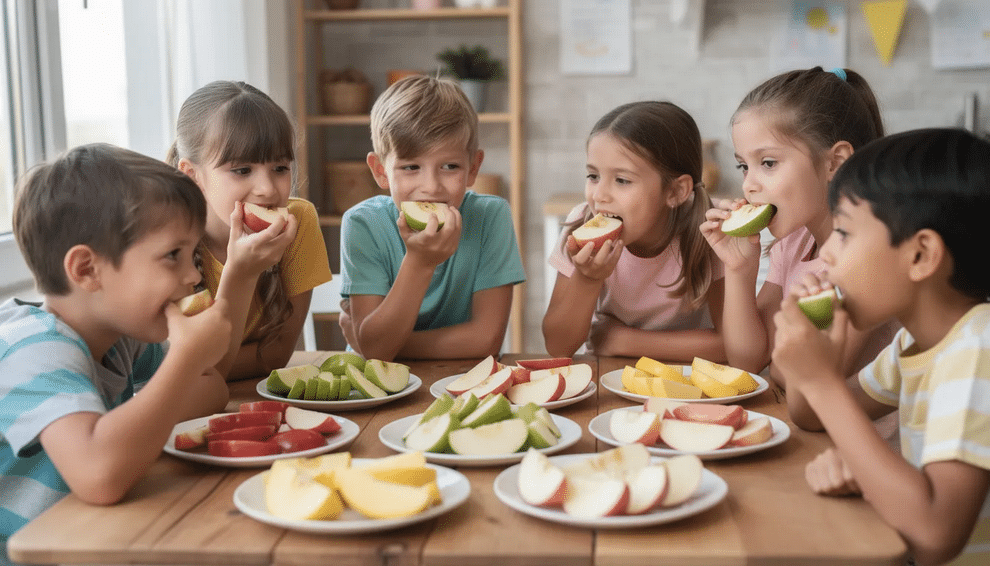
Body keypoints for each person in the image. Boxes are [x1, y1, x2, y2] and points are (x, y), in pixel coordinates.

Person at [0, 144, 231, 563]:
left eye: (192, 254)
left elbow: (210, 390)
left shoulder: (120, 337)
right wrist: (186, 358)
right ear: (87, 270)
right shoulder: (34, 349)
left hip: (91, 538)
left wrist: (188, 362)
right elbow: (99, 476)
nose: (194, 274)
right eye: (172, 256)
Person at [773, 128, 990, 566]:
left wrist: (821, 382)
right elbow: (811, 417)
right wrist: (817, 365)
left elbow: (936, 533)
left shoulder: (977, 348)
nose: (827, 254)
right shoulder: (915, 343)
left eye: (844, 233)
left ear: (921, 255)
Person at [700, 67, 900, 394]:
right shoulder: (795, 242)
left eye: (768, 163)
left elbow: (793, 378)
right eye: (743, 166)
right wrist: (739, 268)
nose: (748, 185)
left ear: (834, 162)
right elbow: (746, 360)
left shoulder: (869, 257)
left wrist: (779, 362)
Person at [338, 75, 525, 361]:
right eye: (411, 167)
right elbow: (376, 355)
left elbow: (486, 341)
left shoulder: (491, 217)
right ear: (379, 171)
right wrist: (419, 262)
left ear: (473, 168)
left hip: (457, 381)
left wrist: (377, 345)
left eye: (449, 166)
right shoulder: (363, 224)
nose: (432, 187)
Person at [167, 80, 332, 381]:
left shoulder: (299, 220)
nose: (267, 189)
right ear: (192, 175)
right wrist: (240, 273)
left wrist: (201, 365)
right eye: (242, 170)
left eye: (280, 168)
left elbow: (277, 355)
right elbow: (193, 372)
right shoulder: (164, 242)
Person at [543, 101, 725, 361]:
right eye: (593, 176)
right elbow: (558, 347)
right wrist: (587, 279)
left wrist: (621, 341)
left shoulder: (712, 232)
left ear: (675, 191)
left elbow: (731, 345)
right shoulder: (581, 223)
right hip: (608, 379)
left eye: (622, 180)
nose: (600, 196)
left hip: (689, 379)